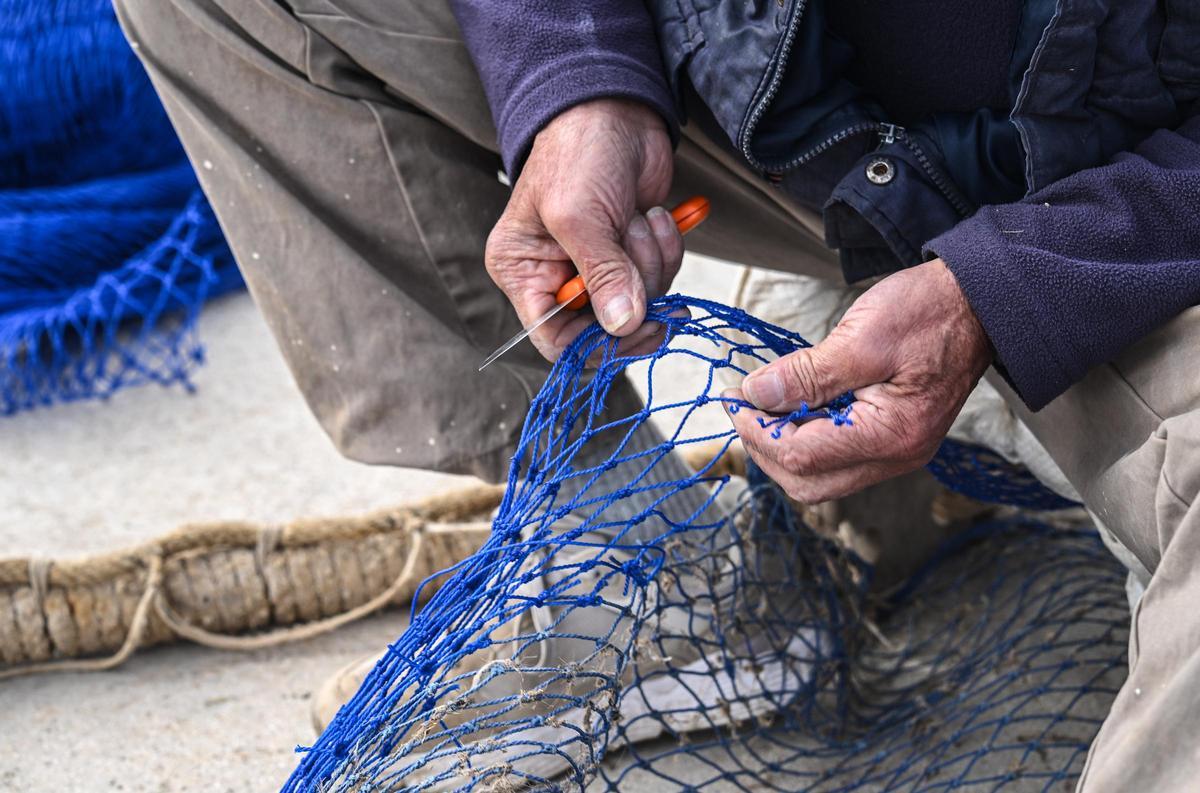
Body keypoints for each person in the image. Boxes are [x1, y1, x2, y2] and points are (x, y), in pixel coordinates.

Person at [113, 1, 1200, 790]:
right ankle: (650, 573)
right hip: (803, 128)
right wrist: (579, 79)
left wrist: (1007, 290)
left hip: (1146, 208)